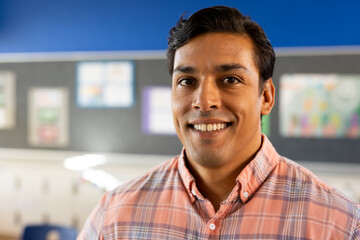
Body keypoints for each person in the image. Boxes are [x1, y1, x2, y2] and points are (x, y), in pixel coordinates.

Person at [78, 6, 359, 239]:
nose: (204, 101)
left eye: (230, 80)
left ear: (266, 96)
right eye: (186, 81)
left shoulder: (338, 225)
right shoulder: (115, 216)